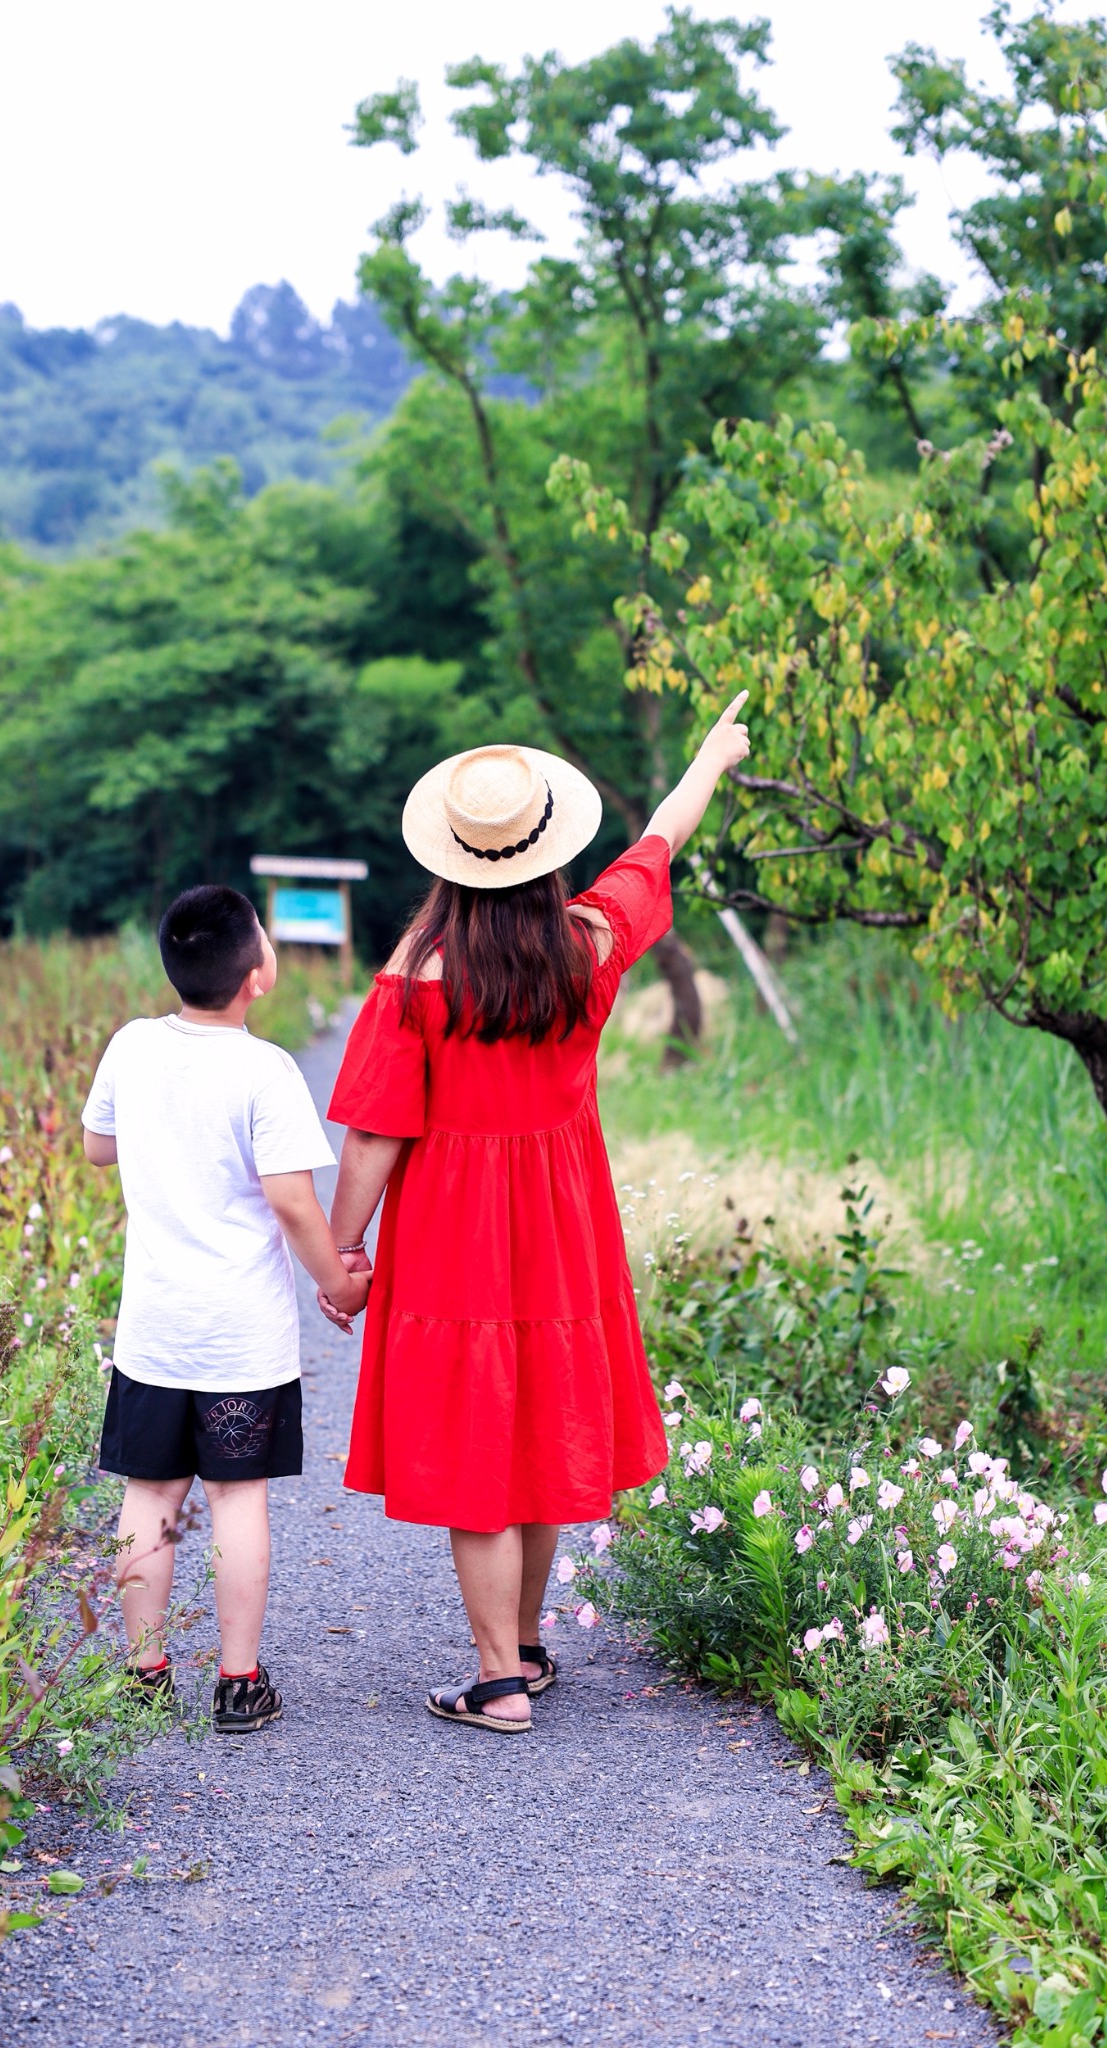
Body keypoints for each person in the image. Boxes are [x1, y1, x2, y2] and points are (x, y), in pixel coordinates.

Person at [319, 694, 752, 1732]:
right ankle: (519, 1650)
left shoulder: (413, 976)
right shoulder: (590, 943)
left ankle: (497, 1679)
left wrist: (344, 1249)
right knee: (537, 1434)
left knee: (474, 1442)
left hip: (450, 1229)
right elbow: (659, 839)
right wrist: (712, 755)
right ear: (545, 846)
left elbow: (375, 1136)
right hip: (561, 1223)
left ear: (453, 858)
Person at [82, 884, 371, 1732]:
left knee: (150, 1496)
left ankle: (145, 1675)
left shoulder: (131, 1048)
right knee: (238, 1500)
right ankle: (239, 1683)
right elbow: (292, 1203)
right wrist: (338, 1281)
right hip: (241, 1339)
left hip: (155, 1335)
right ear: (257, 973)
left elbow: (99, 1147)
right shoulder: (264, 1069)